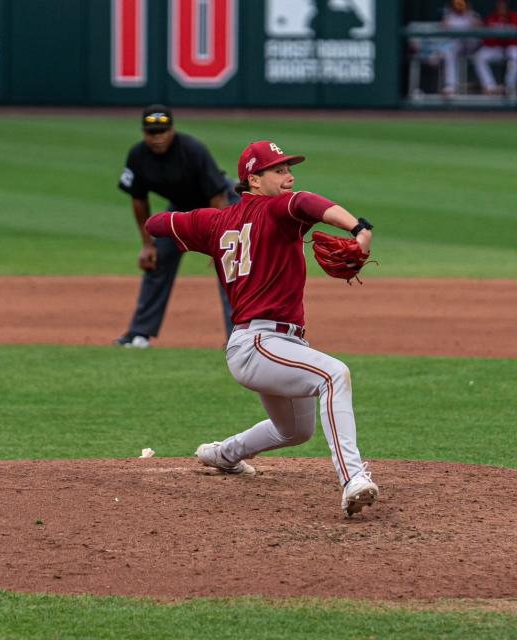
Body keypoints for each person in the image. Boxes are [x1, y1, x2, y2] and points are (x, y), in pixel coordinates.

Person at [144, 140, 379, 518]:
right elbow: (307, 203)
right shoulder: (277, 209)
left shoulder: (214, 221)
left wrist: (204, 225)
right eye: (279, 170)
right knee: (334, 375)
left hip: (272, 345)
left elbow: (156, 224)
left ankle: (223, 455)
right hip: (258, 343)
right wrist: (359, 227)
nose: (289, 176)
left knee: (295, 431)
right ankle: (353, 478)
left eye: (288, 169)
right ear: (253, 179)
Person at [115, 105, 236, 348]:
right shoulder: (138, 156)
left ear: (172, 131)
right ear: (143, 133)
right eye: (151, 133)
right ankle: (139, 333)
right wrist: (147, 244)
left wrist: (223, 242)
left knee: (230, 268)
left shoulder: (192, 150)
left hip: (223, 207)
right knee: (157, 260)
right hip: (182, 210)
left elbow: (217, 197)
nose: (157, 137)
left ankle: (238, 337)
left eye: (162, 132)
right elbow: (139, 200)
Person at [473, 0, 517, 97]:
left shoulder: (516, 17)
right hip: (496, 48)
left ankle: (510, 87)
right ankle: (490, 87)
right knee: (479, 57)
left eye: (503, 5)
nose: (501, 7)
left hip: (510, 47)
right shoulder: (492, 18)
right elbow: (486, 39)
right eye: (499, 5)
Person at [440, 0, 482, 96]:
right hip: (458, 46)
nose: (459, 6)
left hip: (473, 47)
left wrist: (469, 15)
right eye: (457, 4)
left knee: (481, 56)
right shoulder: (450, 16)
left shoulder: (472, 15)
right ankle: (450, 87)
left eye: (461, 4)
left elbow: (480, 27)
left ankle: (489, 87)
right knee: (450, 52)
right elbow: (443, 27)